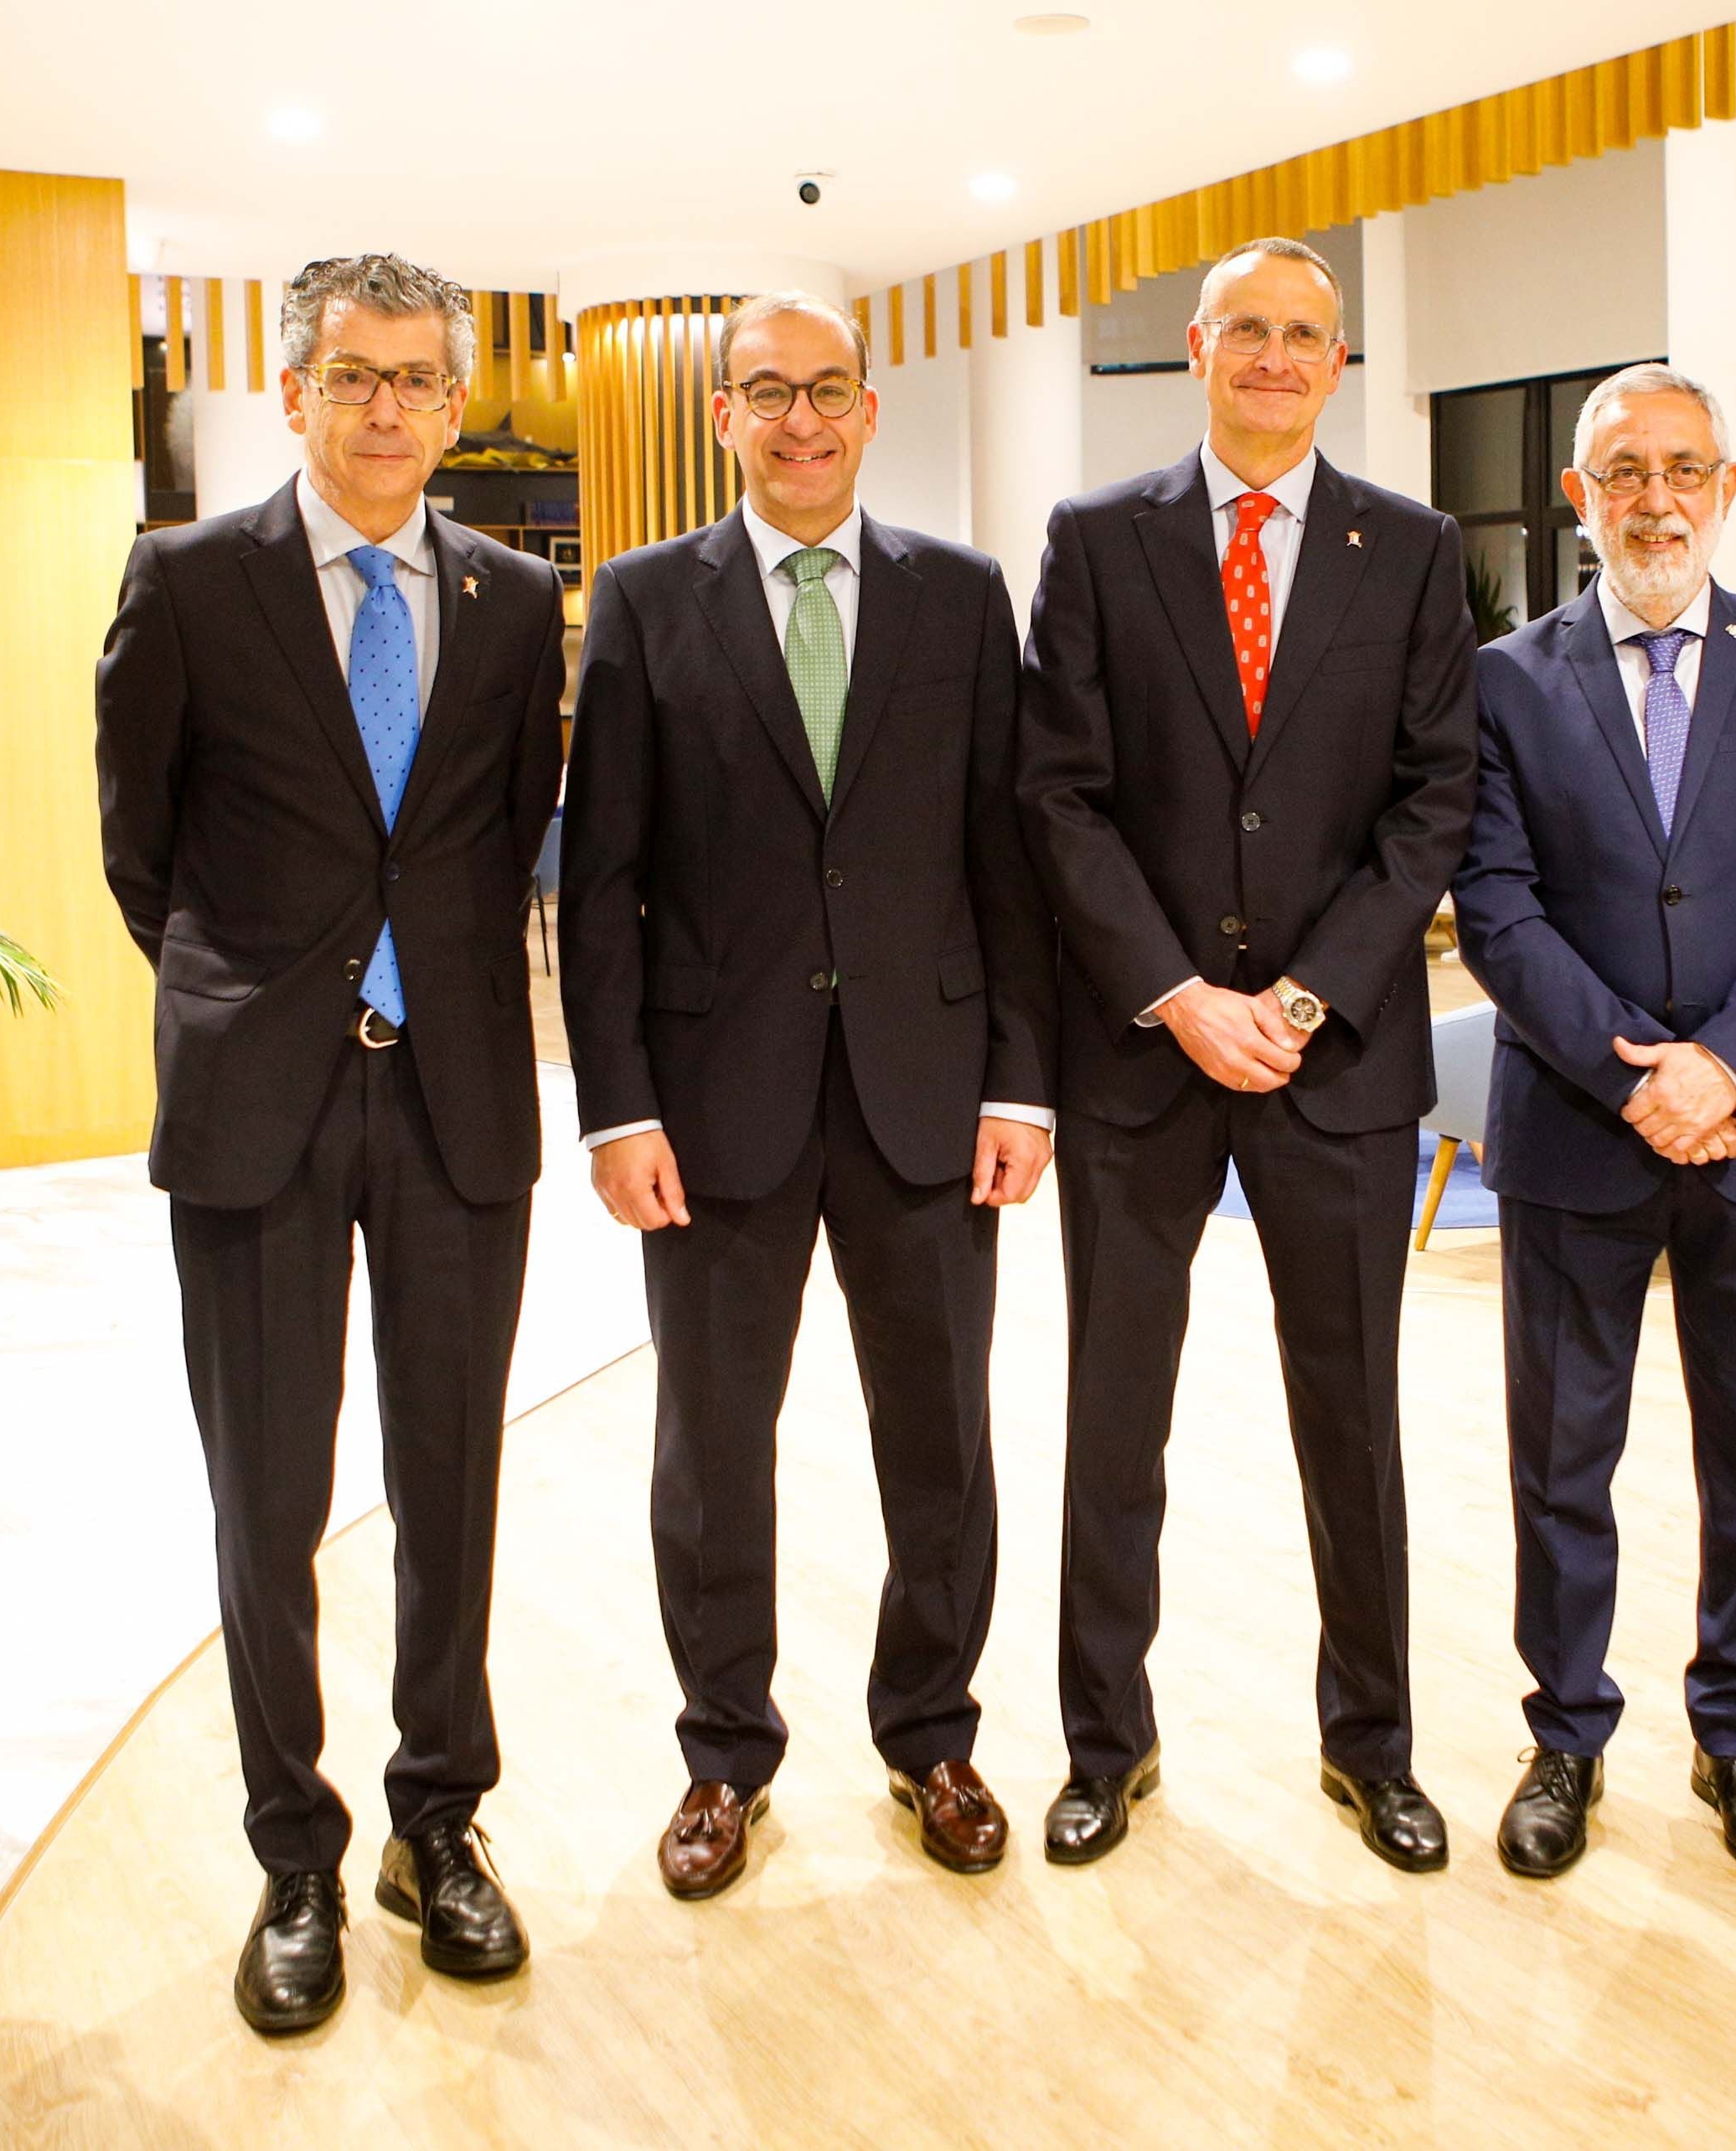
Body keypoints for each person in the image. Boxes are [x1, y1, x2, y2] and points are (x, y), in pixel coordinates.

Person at [96, 254, 565, 2033]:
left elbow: (506, 835)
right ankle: (293, 1852)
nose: (384, 408)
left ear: (454, 406)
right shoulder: (188, 580)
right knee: (269, 1493)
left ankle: (438, 1824)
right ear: (294, 391)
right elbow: (141, 846)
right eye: (352, 376)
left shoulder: (514, 600)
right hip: (259, 1107)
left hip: (457, 1100)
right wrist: (259, 994)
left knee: (450, 1480)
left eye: (417, 379)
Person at [561, 292, 1057, 1896]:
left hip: (928, 1093)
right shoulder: (645, 600)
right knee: (713, 1448)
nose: (800, 419)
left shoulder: (960, 595)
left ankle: (933, 1735)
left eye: (827, 389)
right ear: (723, 417)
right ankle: (724, 1756)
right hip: (715, 1107)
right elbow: (602, 879)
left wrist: (1021, 1085)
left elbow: (1006, 860)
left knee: (942, 1441)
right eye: (766, 392)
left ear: (868, 409)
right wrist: (618, 1107)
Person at [1016, 236, 1477, 1871]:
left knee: (1352, 1422)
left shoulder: (1410, 549)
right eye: (1249, 331)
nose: (1276, 357)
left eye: (1305, 335)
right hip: (1141, 1059)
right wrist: (1175, 991)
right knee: (1112, 1418)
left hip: (1332, 1063)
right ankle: (1105, 1744)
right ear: (1198, 348)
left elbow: (1434, 797)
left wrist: (1299, 999)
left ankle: (1374, 1747)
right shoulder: (1097, 539)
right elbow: (1058, 793)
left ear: (1337, 364)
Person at [1452, 365, 1736, 1884]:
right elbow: (1493, 904)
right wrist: (1634, 1074)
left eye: (1682, 468)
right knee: (1561, 1455)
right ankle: (1565, 1730)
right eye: (1623, 471)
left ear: (1726, 488)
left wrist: (1723, 1070)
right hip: (1579, 1126)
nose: (1654, 499)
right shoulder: (1505, 680)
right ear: (1579, 496)